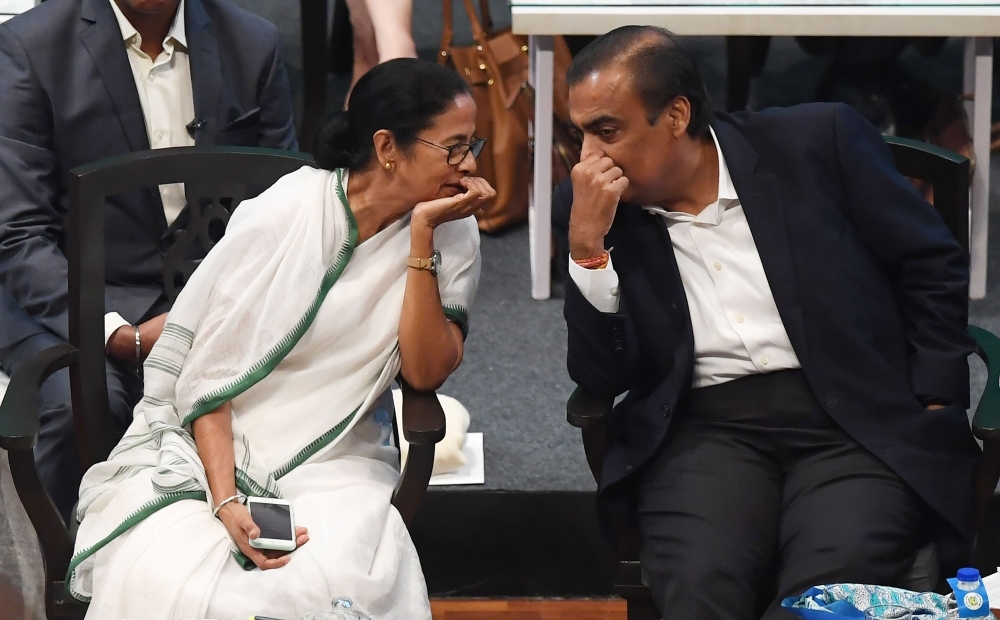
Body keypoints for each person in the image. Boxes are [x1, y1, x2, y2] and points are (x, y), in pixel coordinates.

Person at [559, 26, 978, 619]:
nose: (589, 158)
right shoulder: (592, 213)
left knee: (828, 591)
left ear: (676, 115)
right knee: (701, 587)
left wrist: (937, 396)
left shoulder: (813, 142)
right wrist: (587, 250)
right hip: (704, 432)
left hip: (850, 419)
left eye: (607, 131)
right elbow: (599, 375)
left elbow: (928, 263)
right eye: (580, 135)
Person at [67, 58, 490, 619]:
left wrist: (421, 239)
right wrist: (225, 500)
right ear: (388, 147)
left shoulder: (451, 231)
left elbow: (425, 371)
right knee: (171, 574)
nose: (468, 166)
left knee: (329, 575)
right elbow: (207, 379)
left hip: (337, 458)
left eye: (471, 146)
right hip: (214, 441)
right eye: (453, 148)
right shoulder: (288, 211)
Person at [0, 0, 297, 521]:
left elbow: (285, 208)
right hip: (71, 292)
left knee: (281, 399)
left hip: (211, 294)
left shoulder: (253, 43)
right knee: (83, 409)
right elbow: (20, 231)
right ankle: (63, 577)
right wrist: (117, 332)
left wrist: (228, 310)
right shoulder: (29, 48)